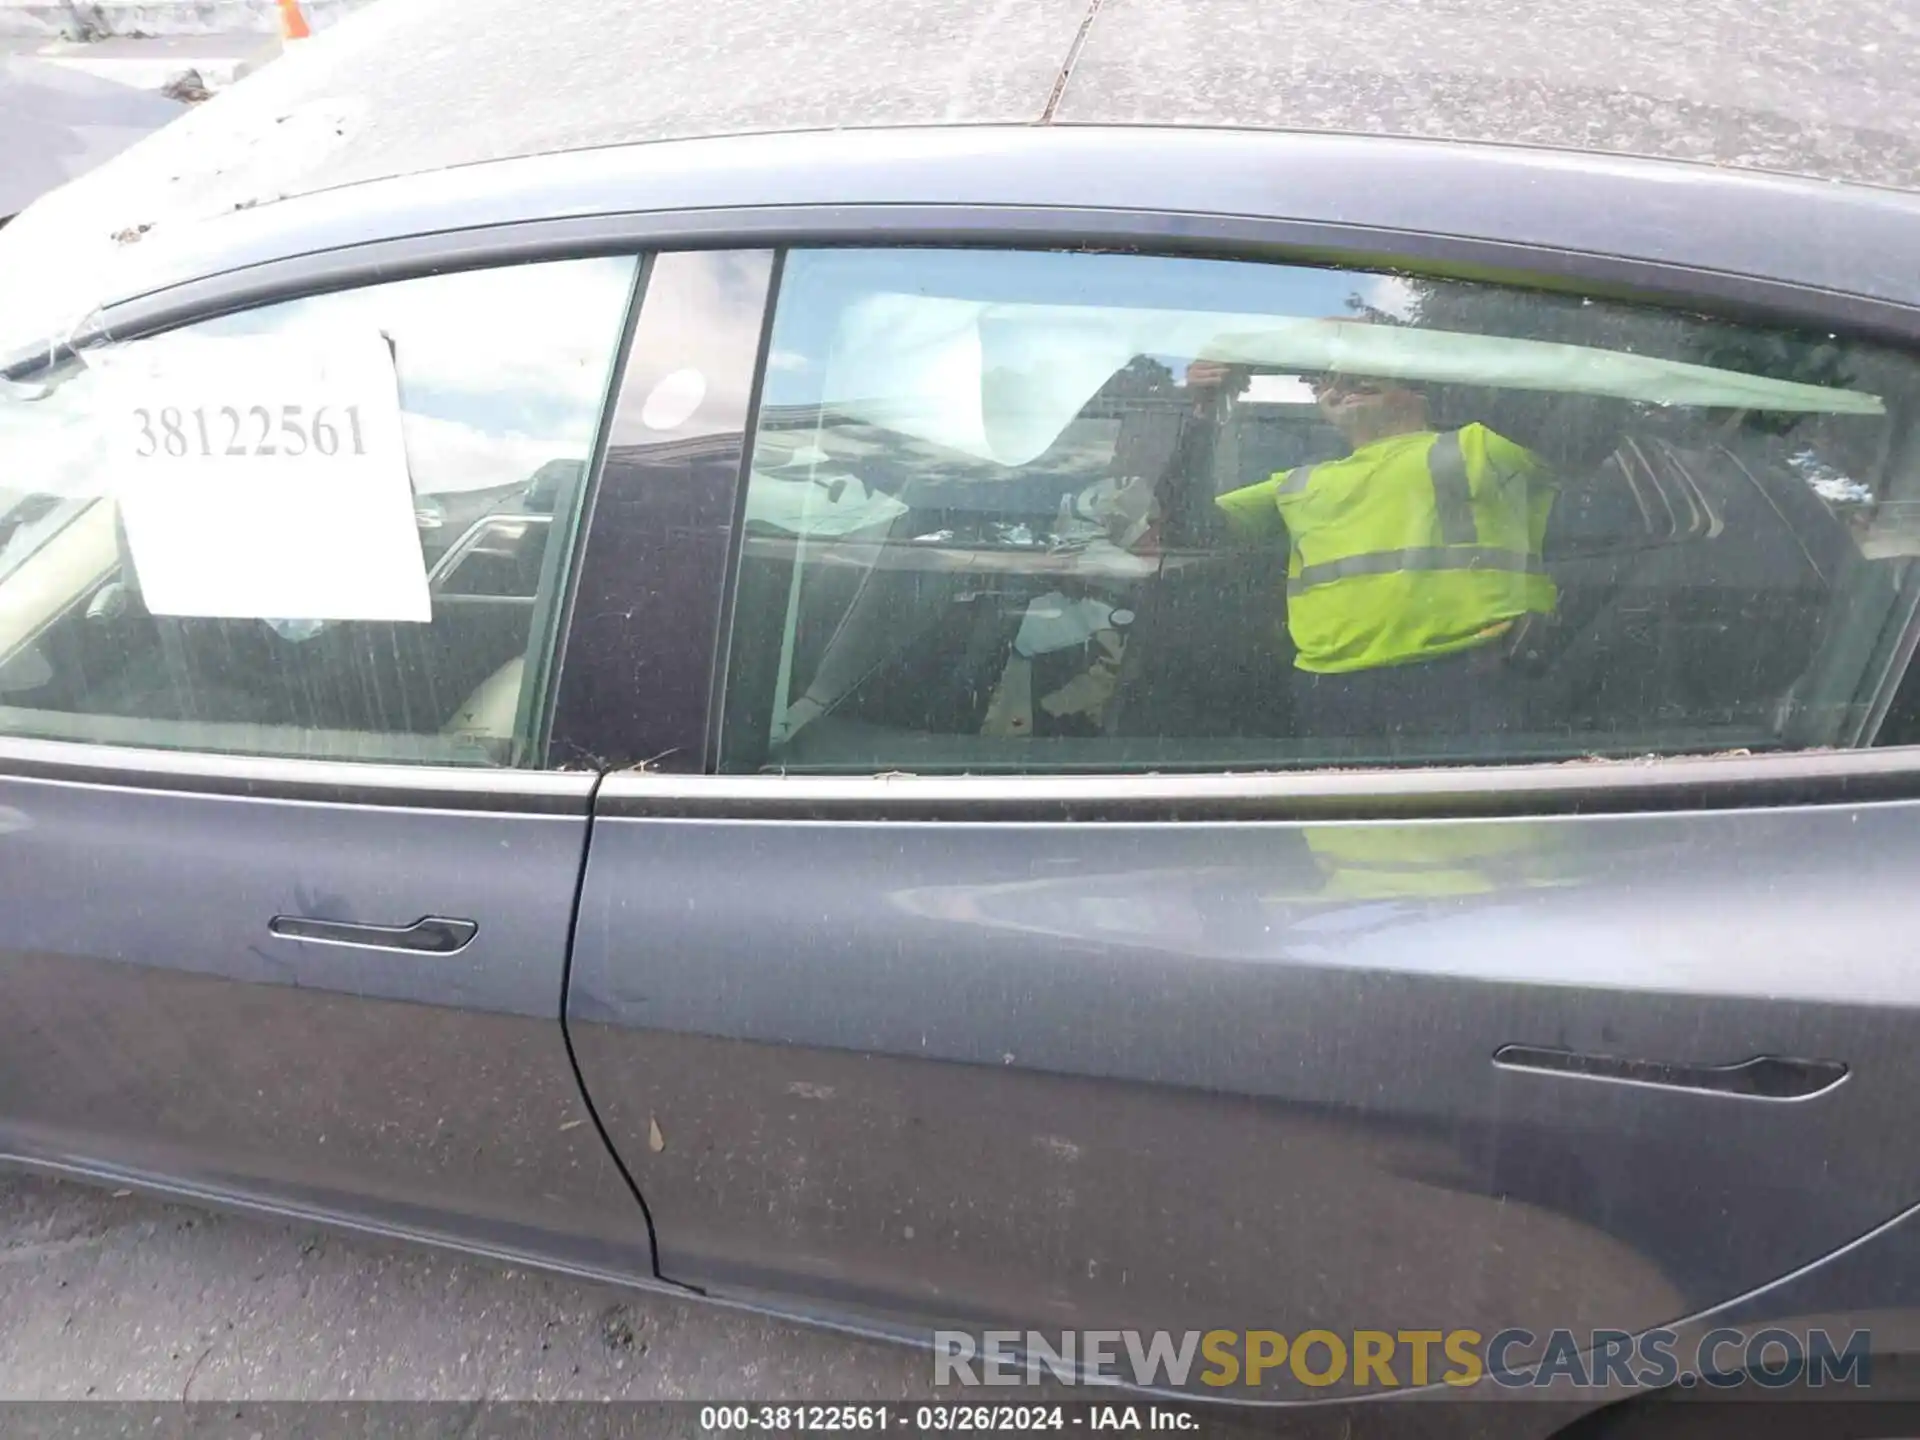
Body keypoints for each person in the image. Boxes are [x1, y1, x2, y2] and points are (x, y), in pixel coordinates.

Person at [1197, 361, 1556, 743]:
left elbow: (1580, 434)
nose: (1339, 385)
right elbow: (1191, 525)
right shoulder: (1296, 483)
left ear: (1419, 392)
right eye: (1327, 380)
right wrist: (1203, 418)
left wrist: (1423, 359)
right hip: (1331, 689)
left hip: (1474, 670)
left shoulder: (1482, 444)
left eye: (1360, 376)